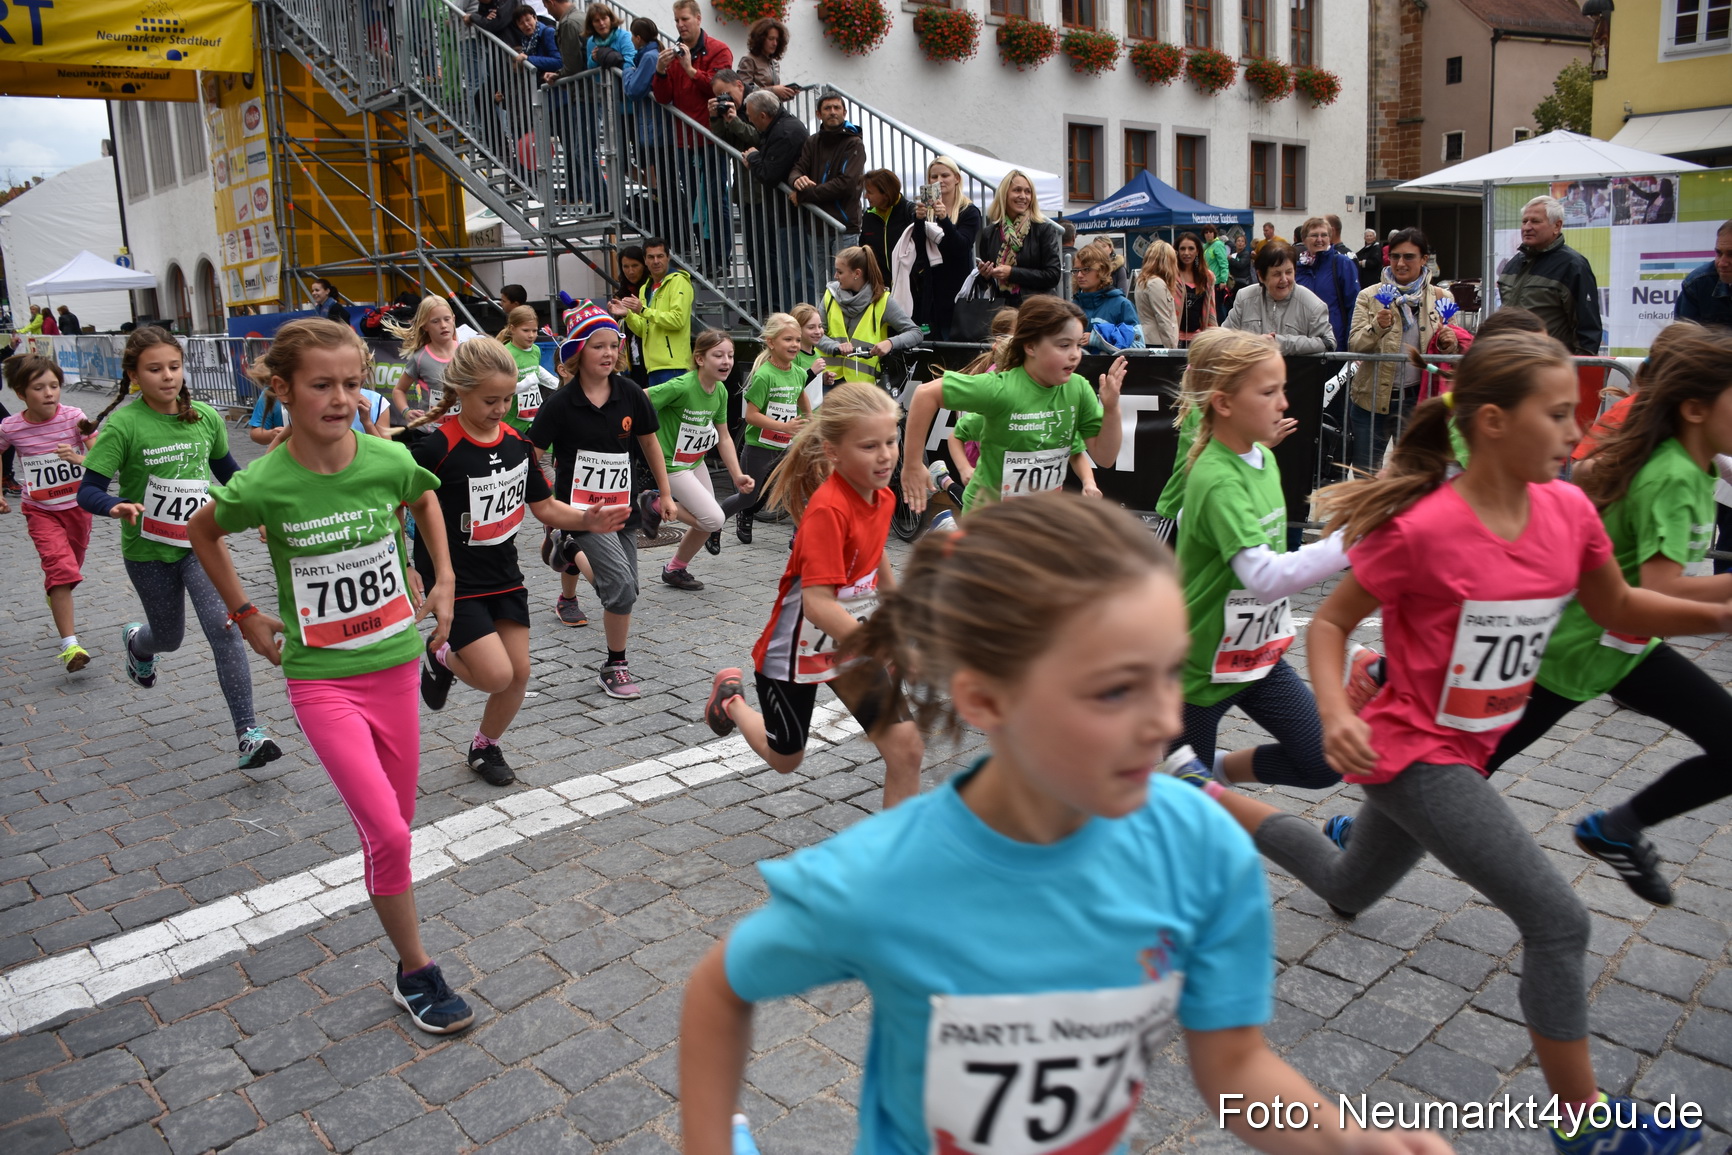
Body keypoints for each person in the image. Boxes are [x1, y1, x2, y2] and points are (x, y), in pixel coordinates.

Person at [679, 492, 1453, 1155]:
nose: (1163, 722)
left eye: (1167, 673)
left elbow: (1235, 1067)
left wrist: (1345, 1139)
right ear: (985, 700)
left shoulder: (1205, 849)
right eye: (1113, 690)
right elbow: (722, 988)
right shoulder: (890, 873)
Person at [1201, 331, 1724, 1155]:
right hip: (1413, 755)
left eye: (1575, 413)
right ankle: (1584, 1126)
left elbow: (1622, 609)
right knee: (1558, 922)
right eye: (1555, 414)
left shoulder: (1570, 510)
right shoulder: (1425, 528)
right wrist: (1336, 710)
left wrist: (1719, 610)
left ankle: (1200, 792)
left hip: (1469, 751)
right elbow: (1332, 623)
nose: (1572, 431)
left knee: (1345, 883)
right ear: (1490, 421)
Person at [188, 318, 475, 1038]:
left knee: (397, 827)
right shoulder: (265, 482)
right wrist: (247, 613)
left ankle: (408, 956)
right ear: (282, 389)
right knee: (386, 828)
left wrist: (442, 580)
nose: (342, 396)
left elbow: (425, 497)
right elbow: (203, 530)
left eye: (352, 382)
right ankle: (417, 970)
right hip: (323, 681)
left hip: (395, 665)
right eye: (323, 384)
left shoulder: (383, 457)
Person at [1473, 324, 1732, 905]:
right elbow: (1665, 587)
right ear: (1694, 408)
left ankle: (1614, 830)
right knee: (1464, 774)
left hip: (1625, 648)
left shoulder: (1697, 466)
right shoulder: (1672, 476)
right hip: (1571, 651)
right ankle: (1360, 838)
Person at [405, 338, 630, 781]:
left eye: (507, 399)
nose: (500, 408)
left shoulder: (517, 445)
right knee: (494, 675)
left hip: (504, 576)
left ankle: (484, 747)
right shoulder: (438, 449)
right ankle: (443, 655)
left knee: (518, 674)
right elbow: (399, 502)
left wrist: (589, 518)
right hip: (455, 580)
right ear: (460, 391)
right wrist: (409, 564)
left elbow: (544, 509)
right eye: (490, 400)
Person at [702, 379, 927, 803]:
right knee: (786, 758)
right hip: (794, 652)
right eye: (869, 446)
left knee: (906, 749)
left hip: (849, 643)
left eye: (891, 442)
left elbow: (875, 556)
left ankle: (899, 863)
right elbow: (818, 604)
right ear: (833, 452)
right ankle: (730, 701)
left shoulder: (881, 497)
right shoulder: (828, 510)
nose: (885, 456)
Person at [77, 327, 280, 771]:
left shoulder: (204, 417)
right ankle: (139, 643)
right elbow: (87, 490)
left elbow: (230, 474)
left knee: (225, 628)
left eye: (174, 366)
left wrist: (261, 510)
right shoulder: (125, 426)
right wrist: (114, 505)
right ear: (133, 374)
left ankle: (249, 733)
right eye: (154, 369)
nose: (167, 377)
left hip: (199, 546)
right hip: (147, 552)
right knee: (169, 637)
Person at [1161, 328, 1350, 794]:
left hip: (1257, 656)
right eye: (1269, 392)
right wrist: (1355, 542)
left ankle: (1217, 771)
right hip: (1198, 673)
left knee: (1325, 763)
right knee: (1185, 818)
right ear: (1223, 403)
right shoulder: (1215, 475)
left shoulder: (1262, 456)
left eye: (1282, 389)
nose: (1284, 403)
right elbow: (1264, 576)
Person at [529, 306, 675, 694]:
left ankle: (568, 550)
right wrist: (542, 496)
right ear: (578, 353)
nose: (609, 353)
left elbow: (649, 442)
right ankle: (614, 666)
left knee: (626, 589)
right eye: (598, 346)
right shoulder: (560, 404)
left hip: (622, 509)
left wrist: (666, 491)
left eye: (614, 345)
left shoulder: (629, 393)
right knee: (621, 589)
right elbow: (532, 452)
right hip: (578, 512)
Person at [901, 295, 1125, 514]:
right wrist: (912, 465)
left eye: (1078, 345)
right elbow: (925, 394)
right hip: (990, 521)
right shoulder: (1001, 388)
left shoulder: (1078, 388)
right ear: (1031, 347)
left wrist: (1112, 409)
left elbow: (1105, 458)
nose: (1075, 355)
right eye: (1064, 345)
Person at [0, 354, 95, 672]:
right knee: (60, 569)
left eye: (54, 385)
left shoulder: (74, 417)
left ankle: (57, 592)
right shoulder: (10, 427)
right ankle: (70, 646)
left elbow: (102, 454)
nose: (49, 393)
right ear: (20, 393)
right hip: (40, 510)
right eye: (39, 387)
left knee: (71, 569)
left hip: (78, 508)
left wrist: (79, 459)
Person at [646, 330, 754, 589]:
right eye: (718, 355)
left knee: (708, 520)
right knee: (714, 519)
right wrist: (647, 435)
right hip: (672, 466)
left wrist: (737, 474)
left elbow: (724, 437)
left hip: (695, 462)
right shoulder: (681, 386)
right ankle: (652, 504)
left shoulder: (720, 392)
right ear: (700, 359)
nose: (726, 361)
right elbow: (641, 398)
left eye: (730, 355)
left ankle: (675, 569)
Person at [1347, 227, 1455, 473]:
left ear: (1424, 259)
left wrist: (1450, 342)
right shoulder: (1370, 295)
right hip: (1371, 401)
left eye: (1409, 257)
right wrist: (1377, 327)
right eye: (1395, 256)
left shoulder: (1441, 296)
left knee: (1414, 477)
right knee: (1366, 476)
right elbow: (1354, 344)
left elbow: (1454, 349)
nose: (1400, 263)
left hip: (1417, 402)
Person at [652, 0, 735, 268]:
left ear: (698, 19)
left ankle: (720, 258)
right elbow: (664, 98)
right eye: (676, 20)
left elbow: (721, 90)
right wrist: (661, 72)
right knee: (696, 203)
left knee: (714, 198)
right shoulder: (675, 53)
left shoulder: (718, 50)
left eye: (684, 19)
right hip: (684, 141)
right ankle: (707, 258)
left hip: (711, 139)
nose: (680, 25)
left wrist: (690, 69)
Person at [730, 313, 812, 543]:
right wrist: (783, 425)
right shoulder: (764, 375)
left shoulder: (797, 372)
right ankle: (722, 520)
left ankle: (799, 536)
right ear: (771, 342)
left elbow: (800, 394)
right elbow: (751, 416)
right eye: (788, 339)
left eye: (797, 340)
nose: (794, 345)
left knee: (799, 487)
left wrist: (810, 418)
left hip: (786, 445)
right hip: (760, 446)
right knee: (750, 497)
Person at [1495, 195, 1603, 356]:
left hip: (1549, 367)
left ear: (1557, 226)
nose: (1527, 227)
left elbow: (1587, 331)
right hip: (1510, 365)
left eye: (1535, 221)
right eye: (1524, 221)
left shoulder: (1573, 266)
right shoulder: (1513, 264)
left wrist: (1580, 370)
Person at [741, 89, 810, 313]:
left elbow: (770, 175)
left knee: (796, 272)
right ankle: (795, 316)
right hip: (784, 214)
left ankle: (800, 318)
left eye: (751, 116)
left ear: (763, 116)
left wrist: (753, 157)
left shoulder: (784, 132)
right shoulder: (781, 127)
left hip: (790, 216)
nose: (750, 121)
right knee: (791, 271)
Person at [817, 246, 922, 387]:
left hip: (863, 388)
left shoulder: (883, 300)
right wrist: (835, 346)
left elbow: (915, 333)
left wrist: (890, 343)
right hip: (827, 381)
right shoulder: (829, 295)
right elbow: (815, 335)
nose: (835, 276)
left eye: (840, 272)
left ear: (857, 273)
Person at [907, 155, 982, 342]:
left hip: (956, 291)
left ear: (956, 178)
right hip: (929, 290)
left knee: (953, 347)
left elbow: (961, 246)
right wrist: (918, 220)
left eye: (945, 175)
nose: (939, 181)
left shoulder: (969, 211)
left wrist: (945, 220)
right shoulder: (927, 209)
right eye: (933, 177)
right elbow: (918, 245)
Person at [609, 238, 693, 387]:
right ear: (646, 261)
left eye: (660, 256)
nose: (655, 261)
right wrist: (628, 314)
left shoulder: (678, 281)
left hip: (674, 366)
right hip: (652, 366)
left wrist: (642, 310)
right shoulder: (645, 288)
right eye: (650, 257)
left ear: (668, 257)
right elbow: (643, 330)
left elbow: (677, 320)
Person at [789, 90, 867, 249]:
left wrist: (804, 195)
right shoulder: (812, 141)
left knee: (844, 274)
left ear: (844, 112)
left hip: (844, 227)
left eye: (837, 108)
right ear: (818, 114)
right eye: (827, 108)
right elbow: (798, 168)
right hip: (816, 225)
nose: (832, 112)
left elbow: (846, 184)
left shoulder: (854, 143)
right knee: (818, 275)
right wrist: (796, 179)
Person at [1225, 241, 1334, 354]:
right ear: (1261, 276)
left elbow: (1328, 343)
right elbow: (1223, 339)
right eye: (1277, 274)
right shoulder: (1244, 298)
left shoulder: (1313, 305)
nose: (1284, 279)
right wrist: (1253, 344)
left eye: (1288, 272)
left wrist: (1280, 343)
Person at [974, 169, 1060, 307]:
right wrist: (985, 276)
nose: (1023, 196)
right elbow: (986, 284)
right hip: (1003, 310)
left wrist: (1012, 273)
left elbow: (1053, 275)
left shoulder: (1042, 229)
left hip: (1038, 310)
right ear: (1004, 195)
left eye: (1027, 191)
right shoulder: (989, 233)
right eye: (1017, 190)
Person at [1293, 216, 1360, 351]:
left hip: (1335, 342)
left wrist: (1350, 342)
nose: (1319, 239)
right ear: (1304, 240)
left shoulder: (1342, 263)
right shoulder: (1297, 268)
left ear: (1330, 238)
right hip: (1302, 344)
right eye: (1314, 235)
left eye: (1324, 235)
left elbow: (1354, 306)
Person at [388, 296, 459, 421]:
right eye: (435, 321)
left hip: (461, 430)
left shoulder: (466, 352)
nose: (443, 325)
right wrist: (406, 411)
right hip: (430, 432)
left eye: (447, 319)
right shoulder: (420, 358)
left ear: (453, 320)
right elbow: (398, 390)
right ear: (425, 326)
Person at [1072, 240, 1143, 352]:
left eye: (1086, 269)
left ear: (1102, 270)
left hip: (1110, 369)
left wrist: (1098, 340)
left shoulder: (1122, 305)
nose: (1079, 275)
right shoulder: (1071, 307)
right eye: (1076, 270)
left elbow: (1138, 348)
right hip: (1077, 369)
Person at [496, 304, 557, 434]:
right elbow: (501, 391)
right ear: (512, 329)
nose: (531, 335)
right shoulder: (505, 354)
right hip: (511, 420)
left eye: (534, 331)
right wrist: (527, 382)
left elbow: (536, 370)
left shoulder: (536, 350)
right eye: (525, 330)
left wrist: (557, 384)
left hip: (532, 418)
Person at [859, 168, 914, 294]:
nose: (866, 196)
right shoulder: (868, 216)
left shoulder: (910, 213)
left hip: (910, 289)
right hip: (879, 289)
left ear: (886, 194)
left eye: (870, 192)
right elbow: (863, 249)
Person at [1674, 218, 1732, 328]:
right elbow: (1682, 341)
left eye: (1731, 254)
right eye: (1719, 253)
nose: (1721, 263)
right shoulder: (1698, 283)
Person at [1133, 237, 1180, 349]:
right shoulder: (1156, 283)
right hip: (1159, 341)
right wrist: (1172, 348)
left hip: (1149, 338)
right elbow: (1163, 319)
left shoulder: (1142, 280)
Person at [615, 245, 650, 386]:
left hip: (651, 358)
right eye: (625, 266)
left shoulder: (651, 290)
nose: (630, 271)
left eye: (635, 265)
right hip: (629, 358)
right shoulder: (621, 293)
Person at [736, 16, 796, 100]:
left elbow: (773, 96)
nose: (775, 43)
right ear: (760, 39)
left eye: (777, 40)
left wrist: (787, 92)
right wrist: (773, 90)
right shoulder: (748, 60)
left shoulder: (774, 63)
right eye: (771, 39)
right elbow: (743, 91)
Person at [1174, 231, 1217, 345]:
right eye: (1182, 249)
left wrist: (1212, 337)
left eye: (1191, 248)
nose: (1186, 253)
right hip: (1174, 337)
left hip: (1198, 339)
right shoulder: (1171, 275)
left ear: (1197, 251)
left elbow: (1210, 308)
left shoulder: (1207, 277)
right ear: (1177, 251)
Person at [1201, 222, 1231, 314]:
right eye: (1206, 232)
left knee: (1218, 308)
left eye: (1210, 232)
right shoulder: (1205, 246)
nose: (1208, 234)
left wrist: (1223, 280)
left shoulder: (1218, 244)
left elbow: (1224, 263)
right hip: (1207, 282)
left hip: (1217, 282)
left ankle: (1222, 327)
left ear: (1214, 233)